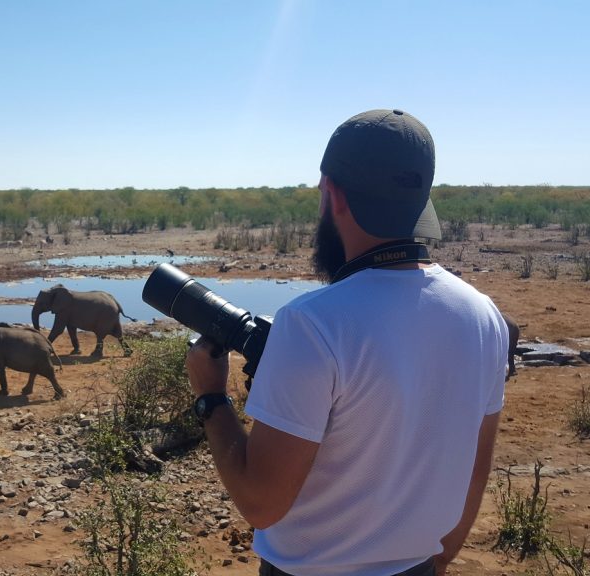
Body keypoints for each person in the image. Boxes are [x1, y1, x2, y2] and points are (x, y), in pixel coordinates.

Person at [186, 109, 509, 576]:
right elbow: (474, 474)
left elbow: (260, 503)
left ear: (331, 194)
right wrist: (435, 563)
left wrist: (211, 395)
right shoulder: (483, 315)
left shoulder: (313, 323)